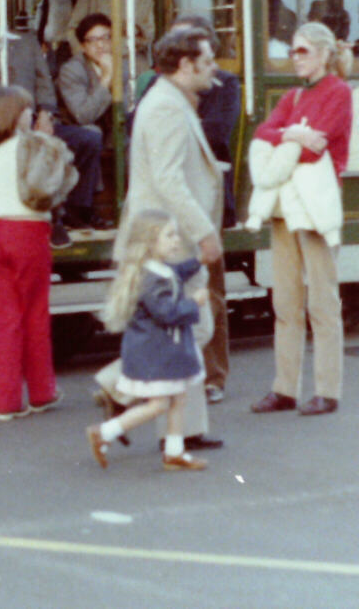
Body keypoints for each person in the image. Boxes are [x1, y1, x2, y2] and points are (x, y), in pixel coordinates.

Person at [96, 25, 225, 453]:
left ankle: (184, 430)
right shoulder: (168, 108)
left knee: (190, 328)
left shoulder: (168, 100)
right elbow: (169, 179)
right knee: (196, 324)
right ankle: (119, 386)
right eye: (207, 62)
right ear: (186, 65)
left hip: (166, 234)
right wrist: (204, 231)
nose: (214, 70)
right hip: (169, 237)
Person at [248, 21, 352, 418]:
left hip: (313, 207)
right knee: (286, 300)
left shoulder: (338, 92)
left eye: (303, 51)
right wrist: (295, 135)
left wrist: (285, 138)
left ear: (325, 54)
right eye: (293, 51)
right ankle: (284, 388)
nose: (296, 58)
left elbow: (318, 147)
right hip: (284, 209)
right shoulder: (292, 96)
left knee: (322, 300)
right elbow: (263, 132)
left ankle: (327, 389)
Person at [0, 0, 105, 242]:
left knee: (88, 139)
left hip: (34, 122)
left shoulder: (25, 42)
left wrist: (46, 113)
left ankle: (78, 209)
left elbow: (44, 83)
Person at [84, 209, 208, 474]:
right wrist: (193, 303)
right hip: (158, 353)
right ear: (151, 242)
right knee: (160, 404)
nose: (176, 240)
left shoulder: (157, 269)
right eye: (170, 235)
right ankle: (104, 432)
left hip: (164, 350)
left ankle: (174, 453)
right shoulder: (151, 279)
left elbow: (176, 272)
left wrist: (197, 262)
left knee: (179, 398)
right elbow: (166, 312)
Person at [0, 86, 72, 420]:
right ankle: (41, 391)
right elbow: (58, 178)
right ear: (15, 113)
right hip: (28, 231)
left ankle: (5, 401)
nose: (32, 115)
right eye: (27, 110)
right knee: (34, 312)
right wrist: (47, 138)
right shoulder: (32, 144)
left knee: (7, 317)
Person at [161, 14, 240, 402]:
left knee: (211, 289)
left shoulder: (225, 84)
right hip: (174, 204)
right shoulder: (162, 90)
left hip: (206, 202)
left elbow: (217, 131)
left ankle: (214, 374)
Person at [56, 14, 123, 133]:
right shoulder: (71, 70)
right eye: (92, 40)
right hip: (84, 130)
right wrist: (106, 77)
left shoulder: (123, 64)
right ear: (82, 46)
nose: (100, 45)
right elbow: (83, 116)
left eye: (105, 37)